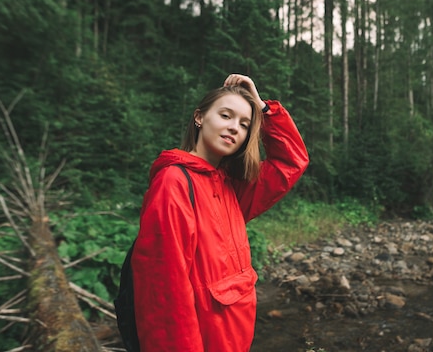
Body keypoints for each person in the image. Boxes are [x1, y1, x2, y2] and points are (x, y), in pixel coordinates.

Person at [131, 74, 309, 352]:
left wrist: (264, 108)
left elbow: (291, 162)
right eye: (226, 115)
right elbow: (164, 292)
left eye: (244, 124)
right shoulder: (174, 182)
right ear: (199, 117)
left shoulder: (232, 188)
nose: (234, 128)